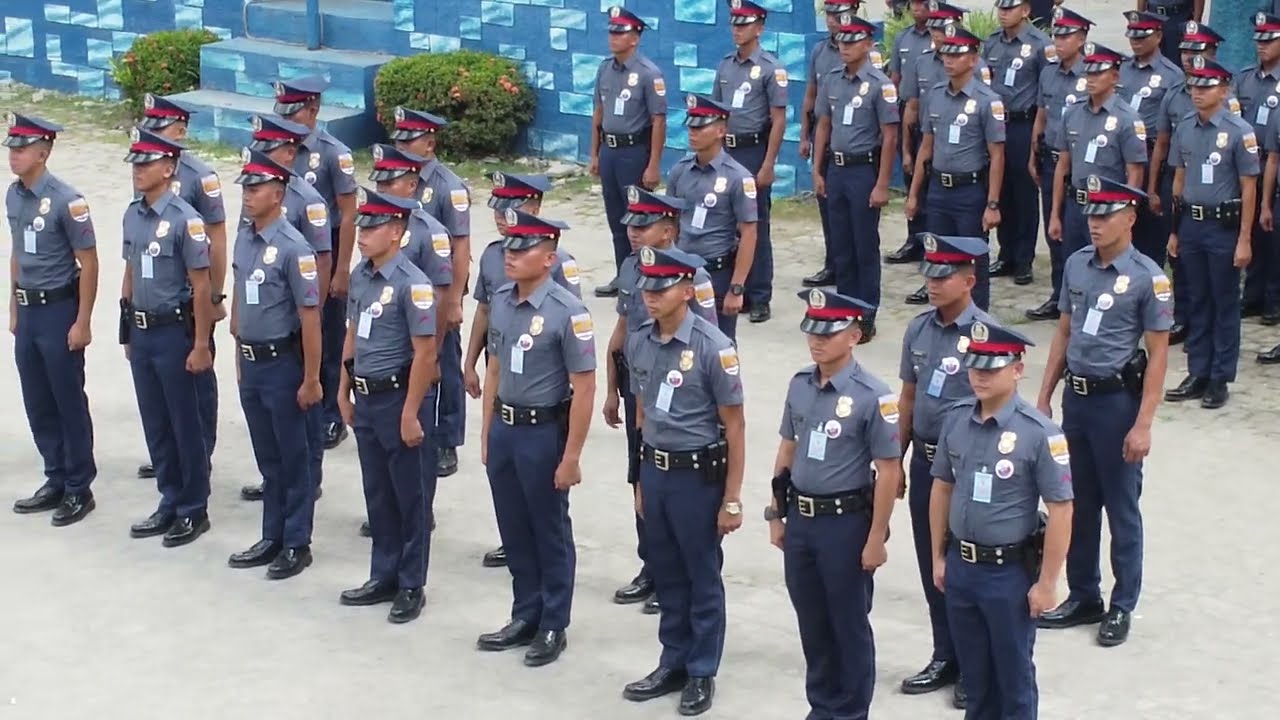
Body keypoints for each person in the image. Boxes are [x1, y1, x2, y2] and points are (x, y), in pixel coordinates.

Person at [1035, 175, 1171, 647]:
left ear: (1130, 219)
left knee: (1121, 507)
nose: (1094, 223)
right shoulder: (1077, 264)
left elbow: (1159, 356)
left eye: (1105, 215)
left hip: (1117, 403)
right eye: (1091, 214)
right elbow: (1064, 332)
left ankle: (1122, 603)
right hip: (1077, 399)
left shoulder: (1148, 278)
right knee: (1078, 502)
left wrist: (1144, 423)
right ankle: (1084, 594)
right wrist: (1044, 394)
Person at [620, 246, 744, 717]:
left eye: (662, 288)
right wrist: (639, 480)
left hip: (697, 477)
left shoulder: (714, 347)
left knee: (700, 574)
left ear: (688, 292)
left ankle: (701, 670)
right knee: (667, 571)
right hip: (656, 471)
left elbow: (735, 426)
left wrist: (732, 498)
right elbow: (641, 414)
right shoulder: (639, 340)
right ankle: (672, 660)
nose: (651, 296)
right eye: (647, 288)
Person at [767, 289, 901, 720]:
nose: (817, 341)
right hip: (802, 520)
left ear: (854, 336)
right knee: (813, 621)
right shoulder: (800, 384)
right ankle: (823, 706)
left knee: (848, 623)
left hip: (845, 523)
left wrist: (876, 538)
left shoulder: (873, 395)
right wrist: (776, 513)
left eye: (828, 333)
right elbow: (787, 449)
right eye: (812, 332)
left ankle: (851, 711)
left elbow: (889, 471)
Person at [930, 320, 1073, 719]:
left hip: (1007, 573)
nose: (980, 376)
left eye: (991, 368)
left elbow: (1062, 509)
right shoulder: (956, 418)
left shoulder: (1039, 433)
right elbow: (941, 487)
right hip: (963, 566)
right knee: (976, 683)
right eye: (975, 366)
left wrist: (1047, 583)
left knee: (1014, 683)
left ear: (1017, 370)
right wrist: (938, 556)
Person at [476, 210, 596, 667]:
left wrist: (572, 456)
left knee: (549, 529)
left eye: (522, 250)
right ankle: (525, 611)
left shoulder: (568, 312)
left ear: (548, 259)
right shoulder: (502, 300)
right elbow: (495, 366)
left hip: (543, 431)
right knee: (513, 526)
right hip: (506, 429)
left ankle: (553, 622)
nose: (510, 256)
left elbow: (584, 387)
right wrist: (487, 431)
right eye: (509, 248)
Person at [604, 187, 718, 615]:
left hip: (681, 392)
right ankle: (651, 566)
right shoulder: (630, 267)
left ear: (669, 230)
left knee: (681, 491)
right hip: (641, 388)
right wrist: (612, 387)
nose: (633, 233)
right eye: (631, 226)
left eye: (644, 226)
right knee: (642, 477)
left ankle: (679, 575)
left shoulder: (693, 277)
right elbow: (622, 329)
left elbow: (709, 339)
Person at [463, 171, 583, 565]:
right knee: (510, 500)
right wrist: (470, 361)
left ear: (534, 205)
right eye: (497, 207)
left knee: (547, 514)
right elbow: (485, 312)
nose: (501, 215)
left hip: (544, 387)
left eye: (511, 207)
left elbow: (569, 331)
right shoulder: (493, 256)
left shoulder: (560, 263)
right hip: (505, 375)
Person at [896, 233, 995, 708]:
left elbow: (996, 410)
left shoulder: (986, 337)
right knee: (931, 560)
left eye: (944, 276)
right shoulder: (918, 330)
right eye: (929, 275)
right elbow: (908, 398)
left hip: (966, 469)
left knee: (967, 569)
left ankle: (975, 667)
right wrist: (895, 460)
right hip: (925, 461)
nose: (933, 284)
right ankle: (945, 653)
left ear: (969, 281)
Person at [336, 188, 441, 625]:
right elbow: (352, 334)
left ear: (396, 232)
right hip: (366, 397)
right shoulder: (361, 276)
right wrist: (343, 389)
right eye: (361, 226)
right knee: (377, 492)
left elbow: (425, 353)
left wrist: (411, 412)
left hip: (399, 397)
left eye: (373, 227)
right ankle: (383, 573)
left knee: (409, 495)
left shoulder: (413, 285)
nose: (362, 235)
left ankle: (411, 583)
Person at [226, 150, 322, 579]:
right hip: (252, 362)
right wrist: (239, 357)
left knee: (293, 456)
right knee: (268, 457)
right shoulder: (245, 238)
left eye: (256, 188)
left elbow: (309, 317)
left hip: (283, 364)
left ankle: (296, 541)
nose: (247, 196)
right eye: (245, 188)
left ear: (279, 194)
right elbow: (240, 300)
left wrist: (312, 378)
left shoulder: (294, 248)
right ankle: (272, 534)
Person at [120, 128, 215, 547]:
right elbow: (130, 271)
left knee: (184, 423)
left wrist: (201, 343)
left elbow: (201, 285)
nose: (138, 170)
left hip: (175, 332)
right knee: (155, 422)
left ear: (169, 168)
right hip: (142, 331)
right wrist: (126, 326)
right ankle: (169, 498)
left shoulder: (185, 220)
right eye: (136, 163)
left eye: (147, 163)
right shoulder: (132, 214)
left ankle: (193, 507)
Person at [7, 113, 99, 526]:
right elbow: (17, 252)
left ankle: (79, 486)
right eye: (11, 148)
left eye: (22, 149)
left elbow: (89, 262)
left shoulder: (67, 200)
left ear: (43, 154)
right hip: (28, 310)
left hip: (59, 309)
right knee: (37, 399)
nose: (13, 155)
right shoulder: (14, 196)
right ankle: (55, 475)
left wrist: (83, 321)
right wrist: (13, 306)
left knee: (67, 398)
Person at [133, 94, 226, 482]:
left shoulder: (200, 177)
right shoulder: (147, 167)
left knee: (195, 381)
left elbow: (216, 238)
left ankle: (200, 452)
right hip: (156, 289)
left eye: (163, 128)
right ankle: (171, 456)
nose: (153, 134)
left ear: (182, 131)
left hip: (189, 298)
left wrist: (216, 295)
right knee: (161, 393)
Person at [239, 114, 332, 504]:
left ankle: (306, 491)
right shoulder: (251, 217)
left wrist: (311, 313)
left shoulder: (306, 203)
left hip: (290, 331)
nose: (261, 152)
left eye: (270, 147)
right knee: (272, 447)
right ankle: (279, 504)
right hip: (258, 333)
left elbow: (320, 261)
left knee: (298, 433)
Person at [1164, 56, 1260, 409]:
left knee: (1224, 302)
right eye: (1194, 85)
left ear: (1223, 90)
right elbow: (1179, 180)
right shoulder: (1185, 127)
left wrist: (1245, 239)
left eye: (1206, 86)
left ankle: (1220, 376)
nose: (1197, 92)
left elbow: (1249, 187)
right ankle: (1198, 371)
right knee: (1196, 300)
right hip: (1191, 224)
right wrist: (1175, 231)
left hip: (1223, 227)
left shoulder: (1239, 131)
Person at [273, 76, 358, 451]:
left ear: (313, 110)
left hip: (324, 249)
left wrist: (341, 269)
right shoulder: (273, 147)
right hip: (283, 251)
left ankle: (331, 413)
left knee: (328, 332)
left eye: (293, 114)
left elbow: (349, 213)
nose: (286, 121)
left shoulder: (333, 153)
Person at [390, 107, 471, 477]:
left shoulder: (447, 186)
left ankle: (447, 439)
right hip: (402, 292)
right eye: (400, 141)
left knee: (445, 363)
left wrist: (453, 299)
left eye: (410, 141)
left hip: (437, 290)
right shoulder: (396, 178)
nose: (403, 147)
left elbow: (461, 245)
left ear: (429, 143)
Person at [812, 12, 900, 343]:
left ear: (868, 44)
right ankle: (844, 308)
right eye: (841, 41)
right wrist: (817, 169)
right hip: (836, 169)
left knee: (864, 244)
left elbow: (889, 137)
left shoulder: (880, 84)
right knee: (841, 244)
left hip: (863, 170)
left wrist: (882, 183)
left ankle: (866, 314)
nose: (845, 47)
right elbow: (824, 124)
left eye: (852, 41)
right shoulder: (832, 79)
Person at [899, 1, 993, 306]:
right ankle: (942, 311)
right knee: (937, 251)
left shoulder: (986, 99)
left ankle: (977, 318)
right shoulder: (936, 94)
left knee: (972, 257)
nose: (948, 60)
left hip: (970, 187)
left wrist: (993, 202)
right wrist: (914, 194)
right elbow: (926, 144)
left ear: (973, 59)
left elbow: (996, 154)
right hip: (939, 186)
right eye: (946, 54)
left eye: (956, 54)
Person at [1150, 20, 1232, 346]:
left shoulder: (1225, 97)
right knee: (1178, 254)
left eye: (1196, 51)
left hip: (1214, 183)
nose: (1188, 57)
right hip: (1178, 176)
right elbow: (1162, 143)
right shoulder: (1173, 93)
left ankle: (1204, 324)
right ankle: (1182, 315)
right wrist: (1153, 186)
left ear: (1212, 52)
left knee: (1209, 266)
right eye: (1185, 50)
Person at [714, 0, 787, 324]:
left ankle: (759, 296)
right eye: (734, 23)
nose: (737, 30)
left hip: (753, 151)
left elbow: (778, 119)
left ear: (759, 28)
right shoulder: (725, 65)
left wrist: (768, 164)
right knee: (726, 223)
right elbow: (715, 113)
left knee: (755, 224)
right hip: (726, 151)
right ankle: (736, 290)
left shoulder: (771, 68)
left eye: (744, 24)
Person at [1050, 43, 1147, 279]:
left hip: (1108, 208)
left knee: (1106, 272)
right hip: (1076, 205)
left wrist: (1124, 216)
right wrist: (1055, 213)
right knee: (1074, 270)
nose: (1090, 79)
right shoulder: (1072, 113)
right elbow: (1063, 165)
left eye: (1098, 73)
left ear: (1114, 77)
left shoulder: (1127, 119)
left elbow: (1135, 172)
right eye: (1088, 73)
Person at [668, 93, 759, 342]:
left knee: (720, 345)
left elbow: (749, 233)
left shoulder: (738, 177)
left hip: (717, 273)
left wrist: (737, 288)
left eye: (700, 128)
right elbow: (671, 222)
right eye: (691, 127)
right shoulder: (680, 170)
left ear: (721, 131)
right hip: (682, 272)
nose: (692, 133)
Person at [591, 5, 668, 297]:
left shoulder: (649, 74)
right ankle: (623, 276)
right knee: (616, 219)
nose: (613, 37)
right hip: (609, 151)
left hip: (634, 152)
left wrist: (654, 164)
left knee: (639, 219)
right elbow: (598, 112)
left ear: (635, 38)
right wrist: (594, 153)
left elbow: (658, 120)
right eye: (611, 32)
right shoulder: (604, 69)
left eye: (620, 33)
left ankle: (644, 275)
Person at [1026, 6, 1092, 322]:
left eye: (1066, 36)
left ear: (1081, 39)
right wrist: (1032, 154)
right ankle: (1059, 295)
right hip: (1051, 159)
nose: (1059, 41)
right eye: (1057, 35)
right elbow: (1042, 115)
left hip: (1078, 165)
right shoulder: (1048, 72)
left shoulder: (1090, 75)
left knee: (1082, 235)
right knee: (1054, 232)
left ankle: (1083, 297)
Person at [985, 0, 1052, 286]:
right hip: (996, 123)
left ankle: (1024, 258)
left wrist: (1039, 134)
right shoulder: (992, 43)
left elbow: (1047, 89)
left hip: (1024, 123)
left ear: (1025, 10)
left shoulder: (1040, 44)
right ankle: (1006, 253)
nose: (1003, 13)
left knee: (1024, 193)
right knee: (1002, 191)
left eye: (1009, 8)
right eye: (1000, 8)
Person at [802, 1, 863, 288]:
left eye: (838, 14)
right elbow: (811, 94)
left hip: (853, 142)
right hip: (823, 136)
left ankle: (853, 268)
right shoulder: (820, 50)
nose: (832, 20)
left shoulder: (864, 52)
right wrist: (805, 135)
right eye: (828, 14)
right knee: (828, 206)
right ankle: (833, 263)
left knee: (855, 215)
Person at [1120, 11, 1184, 270]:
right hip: (1119, 155)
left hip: (1151, 154)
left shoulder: (1172, 75)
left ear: (1158, 36)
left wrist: (1155, 184)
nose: (1135, 42)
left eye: (1142, 37)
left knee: (1150, 228)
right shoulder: (1120, 69)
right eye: (1132, 36)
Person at [1233, 14, 1280, 326]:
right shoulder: (1246, 78)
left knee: (1273, 237)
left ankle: (1273, 300)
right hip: (1247, 163)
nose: (1262, 46)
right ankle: (1252, 296)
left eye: (1269, 41)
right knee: (1251, 230)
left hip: (1273, 160)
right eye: (1259, 41)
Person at [881, 0, 933, 273]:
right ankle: (914, 239)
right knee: (911, 174)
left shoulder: (944, 38)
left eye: (923, 3)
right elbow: (895, 78)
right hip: (908, 113)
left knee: (931, 183)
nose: (916, 8)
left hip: (936, 116)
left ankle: (932, 243)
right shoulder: (903, 38)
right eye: (913, 3)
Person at [1141, 0, 1203, 67]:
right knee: (1150, 64)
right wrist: (1140, 18)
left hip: (1178, 16)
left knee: (1176, 65)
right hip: (1152, 15)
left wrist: (1196, 21)